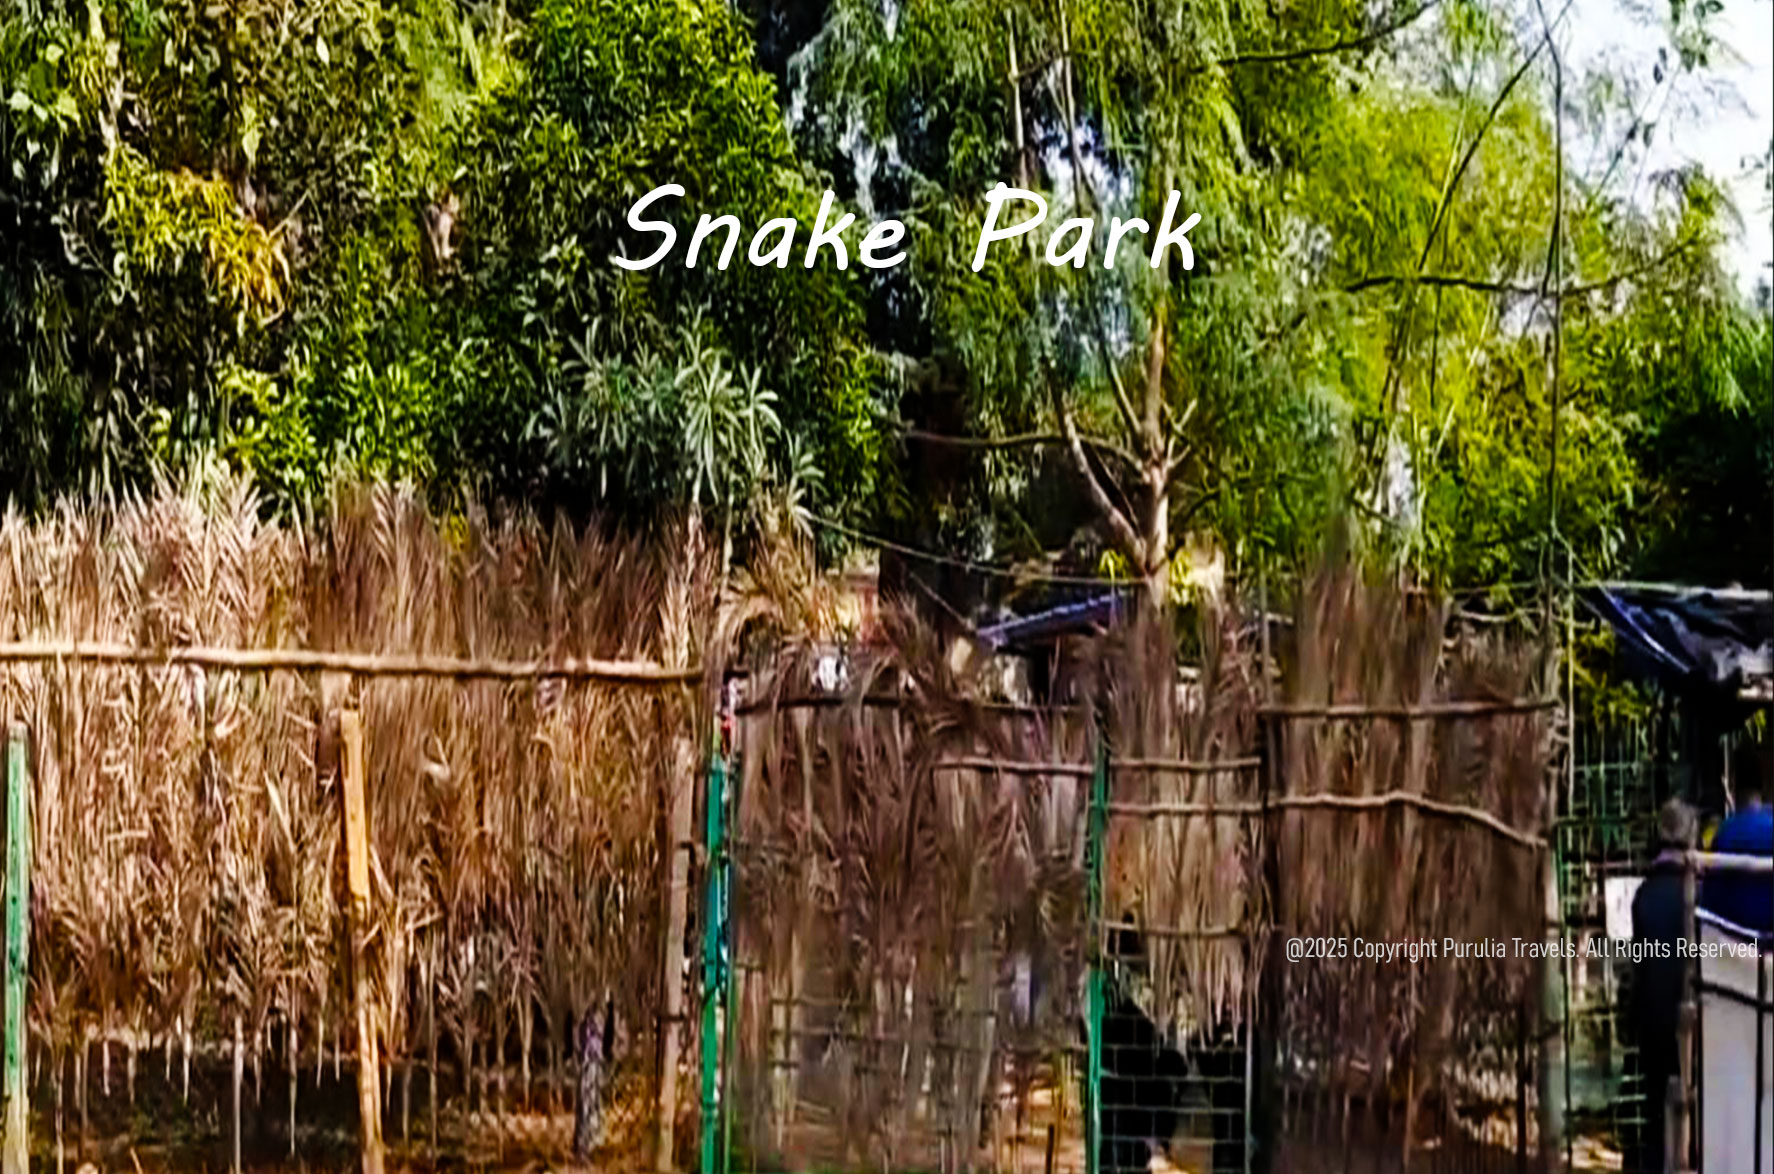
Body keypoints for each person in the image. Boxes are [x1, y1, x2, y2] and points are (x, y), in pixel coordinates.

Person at [1628, 798, 1697, 1174]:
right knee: (1694, 1103)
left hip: (1653, 1015)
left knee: (1656, 1107)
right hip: (1693, 1018)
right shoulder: (1697, 893)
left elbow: (1640, 962)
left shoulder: (1644, 895)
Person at [1700, 787, 1772, 935]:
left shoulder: (1724, 829)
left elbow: (1711, 875)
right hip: (1767, 918)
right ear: (1760, 803)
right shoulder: (1769, 826)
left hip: (1730, 923)